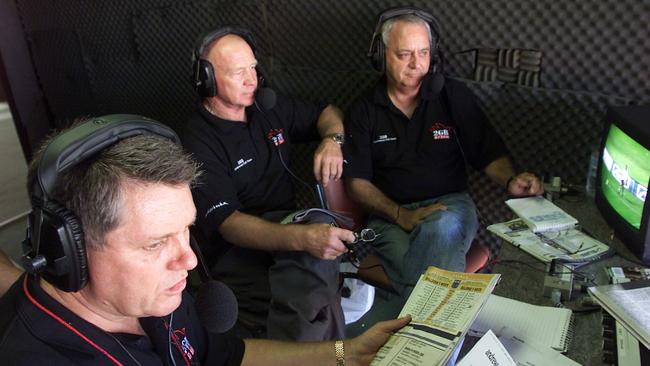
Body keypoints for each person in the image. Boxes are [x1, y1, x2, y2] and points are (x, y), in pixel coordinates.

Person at [0, 115, 410, 365]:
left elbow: (226, 357)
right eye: (155, 243)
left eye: (186, 231)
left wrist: (345, 355)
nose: (188, 261)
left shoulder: (155, 299)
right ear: (67, 251)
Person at [342, 7, 543, 328]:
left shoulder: (452, 96)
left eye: (423, 53)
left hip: (450, 209)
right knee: (421, 263)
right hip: (389, 220)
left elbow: (486, 150)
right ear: (381, 56)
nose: (416, 64)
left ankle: (360, 345)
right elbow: (356, 183)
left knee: (439, 230)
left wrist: (511, 180)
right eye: (404, 54)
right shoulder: (364, 111)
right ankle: (431, 337)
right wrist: (399, 215)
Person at [183, 27, 355, 341]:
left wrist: (333, 139)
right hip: (238, 252)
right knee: (317, 298)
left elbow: (327, 112)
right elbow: (229, 224)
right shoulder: (199, 141)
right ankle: (335, 357)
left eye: (253, 68)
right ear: (205, 80)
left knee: (319, 293)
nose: (253, 80)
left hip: (286, 227)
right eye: (239, 72)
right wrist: (302, 239)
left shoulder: (265, 106)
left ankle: (333, 357)